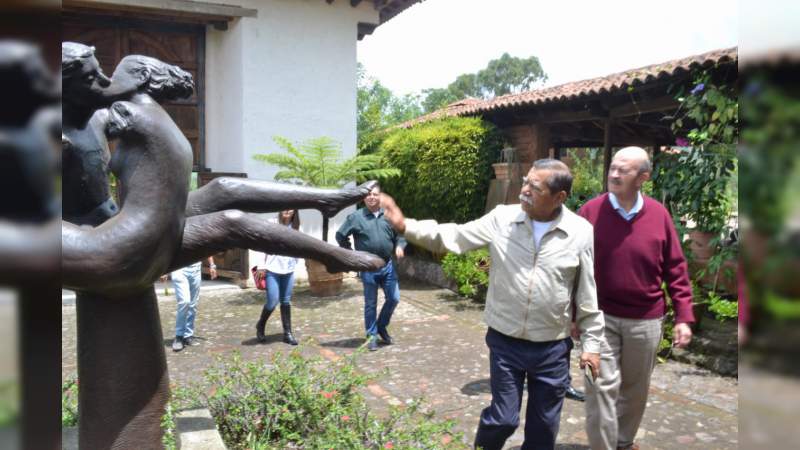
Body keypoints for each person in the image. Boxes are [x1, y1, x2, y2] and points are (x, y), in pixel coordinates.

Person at [380, 159, 605, 450]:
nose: (524, 190)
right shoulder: (502, 218)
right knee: (503, 419)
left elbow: (587, 292)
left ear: (559, 197)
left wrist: (592, 345)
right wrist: (405, 226)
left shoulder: (580, 231)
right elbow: (455, 236)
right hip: (505, 340)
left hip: (552, 346)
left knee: (544, 429)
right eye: (525, 181)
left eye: (535, 187)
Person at [578, 146, 694, 450]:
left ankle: (623, 442)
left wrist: (683, 316)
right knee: (598, 386)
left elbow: (676, 267)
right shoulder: (590, 212)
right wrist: (573, 314)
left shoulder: (658, 214)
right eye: (612, 168)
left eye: (623, 170)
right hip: (598, 317)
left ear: (643, 177)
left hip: (646, 319)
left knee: (635, 389)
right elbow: (571, 266)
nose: (614, 174)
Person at [336, 184, 406, 352]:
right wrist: (352, 255)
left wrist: (400, 246)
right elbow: (340, 235)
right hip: (368, 267)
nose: (372, 197)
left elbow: (401, 234)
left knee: (394, 298)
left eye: (375, 194)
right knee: (370, 304)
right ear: (363, 198)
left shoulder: (388, 215)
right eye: (368, 194)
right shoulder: (356, 217)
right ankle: (371, 336)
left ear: (380, 196)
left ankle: (381, 326)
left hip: (387, 265)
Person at [256, 209, 301, 345]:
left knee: (286, 301)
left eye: (291, 208)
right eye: (285, 207)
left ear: (295, 211)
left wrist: (296, 260)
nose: (287, 210)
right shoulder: (272, 223)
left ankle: (287, 333)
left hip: (289, 269)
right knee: (273, 301)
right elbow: (262, 245)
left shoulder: (296, 227)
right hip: (272, 269)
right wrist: (261, 265)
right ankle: (261, 325)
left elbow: (301, 246)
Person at [171, 256, 218, 351]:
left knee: (193, 304)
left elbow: (205, 248)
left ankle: (188, 335)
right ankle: (179, 336)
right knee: (185, 302)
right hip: (179, 267)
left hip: (195, 268)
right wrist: (164, 269)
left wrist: (212, 265)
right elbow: (168, 249)